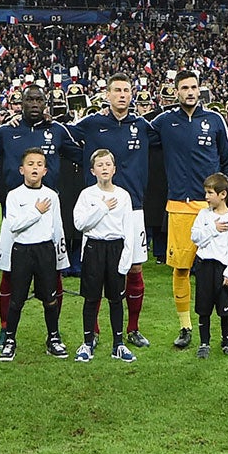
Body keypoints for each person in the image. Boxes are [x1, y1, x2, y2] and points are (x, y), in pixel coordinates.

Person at [151, 70, 228, 351]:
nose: (190, 92)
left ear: (200, 90)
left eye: (194, 87)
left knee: (222, 269)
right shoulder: (163, 122)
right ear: (175, 91)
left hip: (214, 208)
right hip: (179, 206)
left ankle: (227, 332)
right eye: (184, 88)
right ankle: (185, 326)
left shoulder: (214, 120)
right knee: (181, 270)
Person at [0, 84, 81, 346]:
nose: (33, 104)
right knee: (9, 273)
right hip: (15, 210)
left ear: (45, 104)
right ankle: (5, 329)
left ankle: (54, 332)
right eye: (29, 99)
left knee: (54, 273)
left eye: (38, 100)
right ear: (21, 102)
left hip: (49, 210)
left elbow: (82, 154)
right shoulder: (7, 131)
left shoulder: (57, 131)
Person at [72, 74, 161, 346]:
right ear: (107, 95)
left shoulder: (143, 126)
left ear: (131, 94)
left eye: (126, 90)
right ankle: (95, 332)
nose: (122, 95)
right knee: (96, 271)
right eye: (117, 91)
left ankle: (132, 329)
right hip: (99, 207)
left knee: (134, 268)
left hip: (133, 207)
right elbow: (61, 136)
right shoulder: (90, 124)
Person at [0, 148, 70, 362]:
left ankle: (53, 338)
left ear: (45, 170)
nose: (35, 168)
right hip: (22, 250)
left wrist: (60, 256)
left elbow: (57, 227)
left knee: (50, 298)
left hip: (45, 251)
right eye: (30, 164)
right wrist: (36, 211)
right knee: (16, 299)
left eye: (39, 164)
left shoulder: (51, 196)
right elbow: (14, 226)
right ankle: (10, 340)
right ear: (22, 170)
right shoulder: (14, 196)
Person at [71, 148, 139, 362]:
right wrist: (101, 207)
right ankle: (87, 342)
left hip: (116, 249)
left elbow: (129, 229)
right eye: (100, 165)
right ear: (93, 171)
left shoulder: (123, 195)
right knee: (91, 298)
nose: (104, 169)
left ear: (114, 168)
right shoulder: (87, 195)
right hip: (93, 248)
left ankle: (118, 344)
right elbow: (80, 223)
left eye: (107, 164)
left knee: (116, 298)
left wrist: (126, 258)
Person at [189, 172, 228, 357]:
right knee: (203, 307)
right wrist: (213, 228)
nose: (206, 197)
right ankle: (204, 343)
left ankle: (227, 341)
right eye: (206, 192)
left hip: (222, 269)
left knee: (225, 306)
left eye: (210, 193)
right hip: (204, 267)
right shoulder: (203, 215)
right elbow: (196, 237)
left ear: (222, 195)